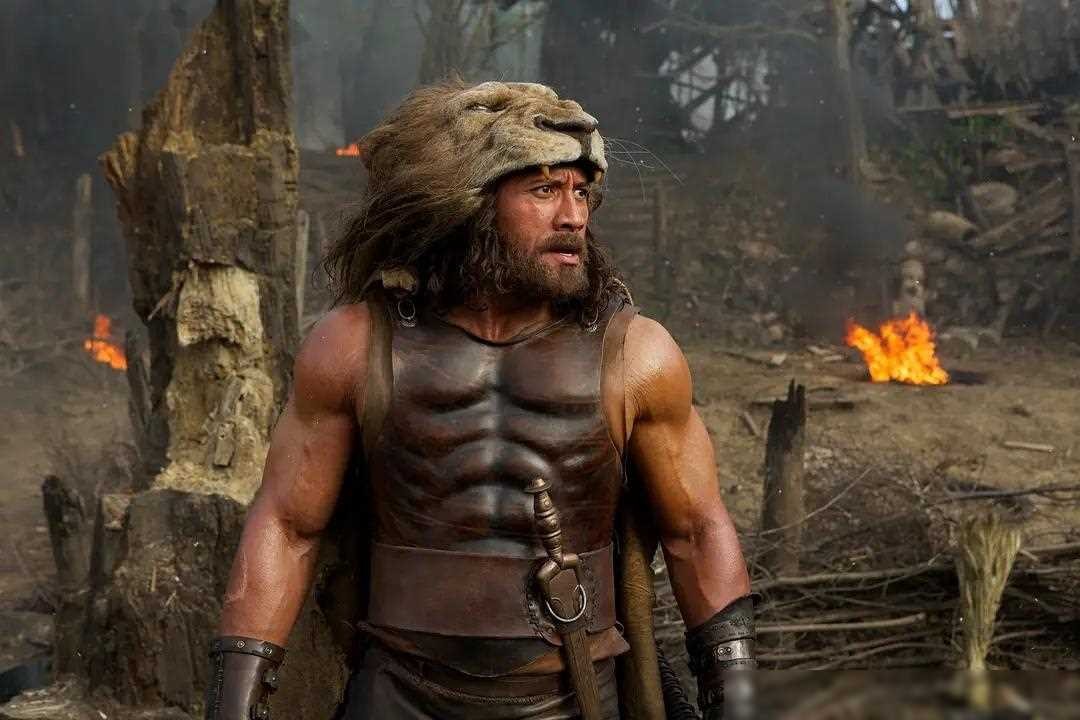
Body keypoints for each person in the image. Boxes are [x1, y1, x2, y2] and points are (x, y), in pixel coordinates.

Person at [204, 80, 755, 720]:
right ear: (472, 203)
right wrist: (234, 700)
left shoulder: (637, 354)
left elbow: (696, 530)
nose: (573, 216)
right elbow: (287, 525)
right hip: (396, 696)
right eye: (544, 190)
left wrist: (736, 698)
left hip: (574, 697)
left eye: (582, 192)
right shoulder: (355, 344)